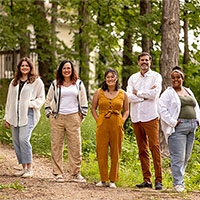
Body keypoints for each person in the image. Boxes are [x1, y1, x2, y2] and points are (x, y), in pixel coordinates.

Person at [45, 60, 88, 183]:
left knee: (75, 145)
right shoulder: (55, 84)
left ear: (72, 70)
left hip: (73, 117)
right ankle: (58, 173)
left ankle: (75, 173)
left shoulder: (78, 84)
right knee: (56, 145)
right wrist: (49, 113)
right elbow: (48, 100)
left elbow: (84, 101)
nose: (66, 70)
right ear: (61, 70)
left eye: (68, 68)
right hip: (57, 118)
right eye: (64, 68)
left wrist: (82, 115)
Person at [158, 66, 200, 192]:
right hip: (178, 128)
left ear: (182, 78)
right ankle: (178, 183)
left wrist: (198, 120)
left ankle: (180, 181)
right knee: (178, 157)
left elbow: (196, 106)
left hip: (192, 126)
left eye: (178, 77)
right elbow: (161, 109)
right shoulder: (168, 93)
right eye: (173, 78)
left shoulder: (188, 91)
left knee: (186, 157)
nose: (176, 79)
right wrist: (173, 122)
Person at [4, 57, 45, 178]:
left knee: (23, 139)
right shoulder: (14, 82)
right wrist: (6, 117)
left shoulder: (36, 81)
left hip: (28, 114)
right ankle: (23, 167)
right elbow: (9, 100)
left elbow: (41, 98)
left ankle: (29, 168)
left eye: (27, 65)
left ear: (30, 67)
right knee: (16, 140)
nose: (25, 67)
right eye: (22, 66)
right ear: (19, 68)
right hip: (14, 114)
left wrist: (30, 104)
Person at [126, 52, 163, 190]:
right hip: (136, 117)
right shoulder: (133, 78)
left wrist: (138, 93)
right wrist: (145, 94)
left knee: (154, 147)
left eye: (147, 60)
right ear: (138, 62)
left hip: (151, 117)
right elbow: (128, 97)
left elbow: (155, 94)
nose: (144, 62)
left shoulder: (156, 77)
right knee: (142, 150)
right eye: (142, 60)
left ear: (150, 62)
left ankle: (159, 180)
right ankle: (146, 179)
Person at [91, 68, 129, 188]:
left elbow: (127, 110)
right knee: (101, 151)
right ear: (105, 79)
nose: (110, 79)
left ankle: (112, 179)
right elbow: (93, 108)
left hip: (116, 124)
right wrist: (98, 120)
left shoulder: (123, 93)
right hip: (103, 124)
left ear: (116, 78)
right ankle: (103, 179)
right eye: (108, 77)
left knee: (115, 152)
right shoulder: (99, 92)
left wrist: (121, 121)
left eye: (112, 77)